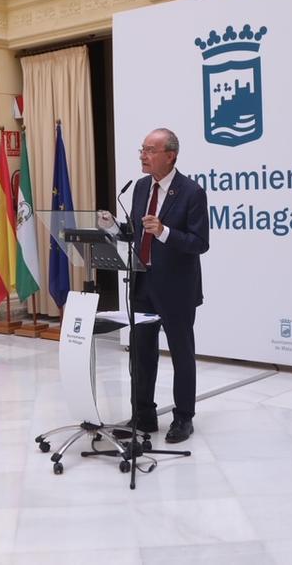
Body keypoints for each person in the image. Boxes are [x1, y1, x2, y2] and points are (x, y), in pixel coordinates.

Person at [111, 128, 209, 444]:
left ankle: (183, 418)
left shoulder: (192, 192)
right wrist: (114, 228)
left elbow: (199, 243)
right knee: (140, 354)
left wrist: (165, 231)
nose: (143, 155)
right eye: (142, 149)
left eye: (150, 150)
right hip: (142, 283)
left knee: (181, 353)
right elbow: (137, 232)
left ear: (171, 155)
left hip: (177, 288)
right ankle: (143, 414)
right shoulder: (140, 188)